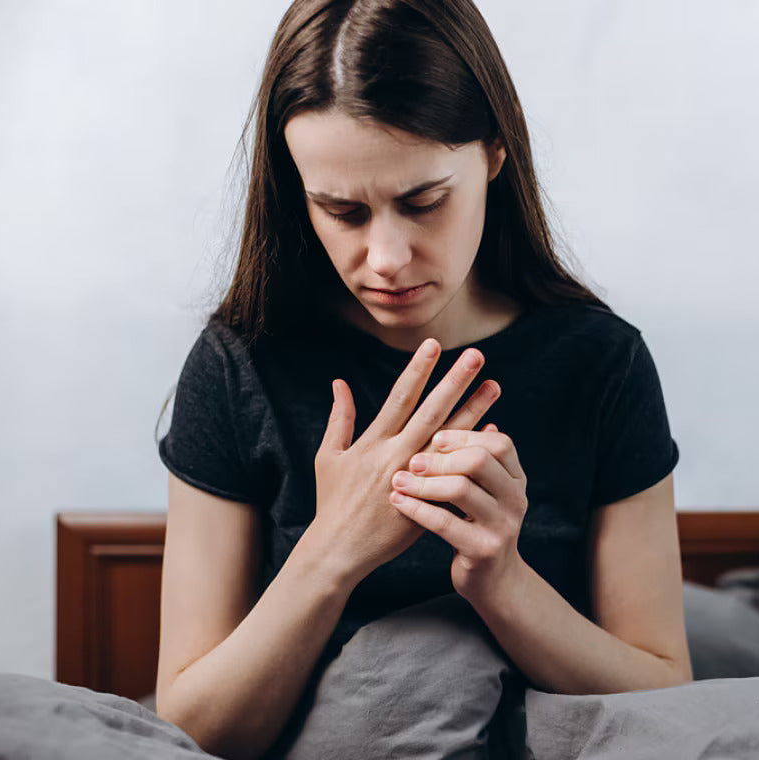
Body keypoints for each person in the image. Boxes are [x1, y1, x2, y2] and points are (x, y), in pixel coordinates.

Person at [155, 1, 692, 758]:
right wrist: (333, 551)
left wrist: (499, 579)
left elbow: (666, 693)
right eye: (340, 210)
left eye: (423, 202)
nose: (386, 258)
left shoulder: (601, 362)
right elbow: (187, 729)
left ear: (494, 155)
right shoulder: (242, 362)